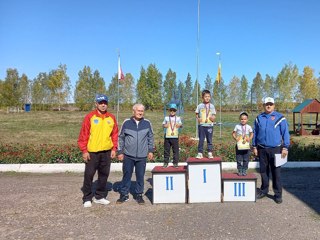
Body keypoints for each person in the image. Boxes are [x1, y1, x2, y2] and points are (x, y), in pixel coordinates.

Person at [78, 94, 118, 208]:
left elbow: (115, 134)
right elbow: (83, 135)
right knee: (89, 175)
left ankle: (100, 197)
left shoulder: (111, 118)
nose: (103, 105)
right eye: (101, 103)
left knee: (104, 175)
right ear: (96, 104)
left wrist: (114, 148)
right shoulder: (90, 117)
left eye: (105, 103)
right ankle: (87, 198)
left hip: (106, 151)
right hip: (92, 152)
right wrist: (84, 150)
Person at [252, 97, 290, 204]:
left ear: (274, 105)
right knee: (263, 171)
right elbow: (255, 133)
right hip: (262, 149)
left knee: (276, 172)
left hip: (276, 149)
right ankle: (264, 190)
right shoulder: (259, 118)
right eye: (266, 104)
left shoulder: (280, 118)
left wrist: (285, 147)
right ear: (263, 106)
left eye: (270, 104)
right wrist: (254, 146)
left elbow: (285, 133)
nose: (268, 106)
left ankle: (278, 194)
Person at [116, 103, 154, 205]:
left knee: (140, 176)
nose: (140, 113)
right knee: (126, 175)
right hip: (128, 155)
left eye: (142, 111)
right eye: (138, 111)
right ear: (134, 111)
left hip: (142, 156)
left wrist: (150, 150)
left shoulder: (147, 123)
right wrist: (120, 151)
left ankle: (139, 195)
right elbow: (120, 138)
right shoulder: (126, 122)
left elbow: (151, 137)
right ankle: (124, 195)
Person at [195, 89, 216, 158]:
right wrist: (198, 118)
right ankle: (200, 153)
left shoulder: (212, 106)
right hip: (202, 125)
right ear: (202, 97)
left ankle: (209, 152)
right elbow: (196, 113)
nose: (207, 98)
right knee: (201, 139)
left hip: (210, 125)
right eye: (205, 96)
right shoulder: (200, 106)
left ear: (210, 97)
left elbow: (214, 115)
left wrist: (213, 118)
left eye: (208, 96)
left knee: (209, 139)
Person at [232, 111, 253, 176]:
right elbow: (233, 133)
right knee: (239, 158)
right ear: (240, 119)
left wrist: (249, 138)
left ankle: (244, 170)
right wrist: (235, 138)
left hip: (246, 145)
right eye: (242, 119)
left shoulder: (249, 127)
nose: (243, 120)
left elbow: (252, 133)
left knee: (246, 159)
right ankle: (239, 170)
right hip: (239, 145)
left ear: (247, 119)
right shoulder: (237, 126)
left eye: (245, 119)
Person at [162, 103, 183, 168]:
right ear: (169, 111)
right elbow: (163, 125)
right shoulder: (166, 118)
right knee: (166, 150)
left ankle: (175, 163)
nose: (172, 112)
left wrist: (179, 125)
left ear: (176, 111)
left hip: (175, 136)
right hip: (167, 136)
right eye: (171, 110)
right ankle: (166, 163)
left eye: (173, 110)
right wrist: (165, 125)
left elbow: (181, 125)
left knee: (175, 150)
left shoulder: (178, 118)